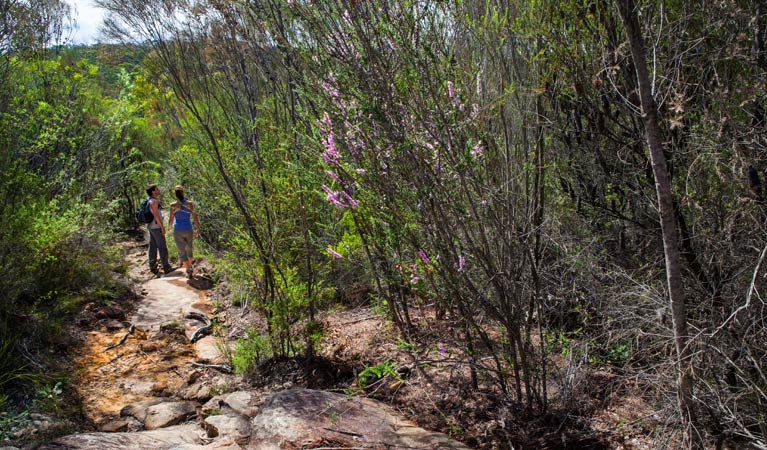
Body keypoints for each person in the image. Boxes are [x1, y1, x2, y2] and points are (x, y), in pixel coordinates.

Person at [168, 185, 200, 279]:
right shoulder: (190, 203)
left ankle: (188, 269)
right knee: (189, 249)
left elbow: (171, 219)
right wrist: (198, 229)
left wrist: (169, 228)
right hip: (188, 229)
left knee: (182, 251)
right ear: (183, 192)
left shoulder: (173, 205)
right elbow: (195, 217)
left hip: (178, 230)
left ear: (175, 194)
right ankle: (189, 267)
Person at [146, 184, 174, 277]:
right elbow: (156, 215)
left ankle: (153, 266)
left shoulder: (148, 200)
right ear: (153, 191)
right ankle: (166, 267)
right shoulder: (153, 201)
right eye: (157, 189)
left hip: (151, 226)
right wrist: (162, 227)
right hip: (156, 227)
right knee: (162, 246)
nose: (159, 190)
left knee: (153, 246)